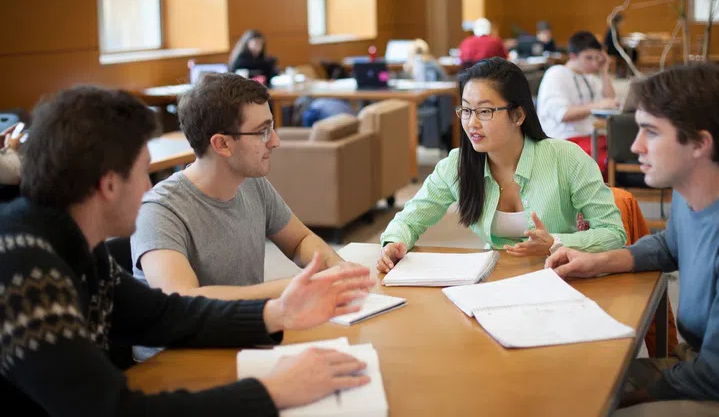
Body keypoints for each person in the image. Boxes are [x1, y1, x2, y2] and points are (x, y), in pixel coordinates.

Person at [0, 86, 375, 414]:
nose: (149, 189)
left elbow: (164, 314)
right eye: (145, 173)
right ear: (109, 185)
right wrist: (274, 390)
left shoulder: (77, 243)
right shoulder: (25, 271)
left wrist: (278, 313)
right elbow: (112, 410)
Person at [545, 64, 719, 416]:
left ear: (700, 143)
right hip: (699, 363)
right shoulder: (691, 191)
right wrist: (597, 261)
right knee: (570, 381)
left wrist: (626, 399)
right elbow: (669, 246)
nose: (635, 147)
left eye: (650, 132)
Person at [131, 74, 354, 358]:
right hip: (176, 361)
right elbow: (182, 301)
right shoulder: (159, 210)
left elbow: (299, 241)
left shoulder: (250, 183)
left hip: (236, 341)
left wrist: (335, 268)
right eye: (262, 131)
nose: (275, 141)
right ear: (222, 144)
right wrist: (291, 290)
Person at [376, 57, 626, 272]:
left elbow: (614, 234)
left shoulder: (567, 158)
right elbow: (409, 220)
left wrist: (555, 242)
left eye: (484, 112)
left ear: (517, 115)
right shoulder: (457, 165)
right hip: (493, 279)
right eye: (466, 110)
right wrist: (394, 243)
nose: (472, 123)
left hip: (560, 277)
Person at [536, 31, 618, 172]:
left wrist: (604, 71)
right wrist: (597, 105)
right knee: (608, 160)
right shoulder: (556, 74)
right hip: (563, 141)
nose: (593, 63)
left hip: (588, 137)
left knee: (621, 148)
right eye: (588, 58)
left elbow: (610, 99)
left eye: (596, 58)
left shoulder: (589, 77)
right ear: (572, 56)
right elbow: (564, 115)